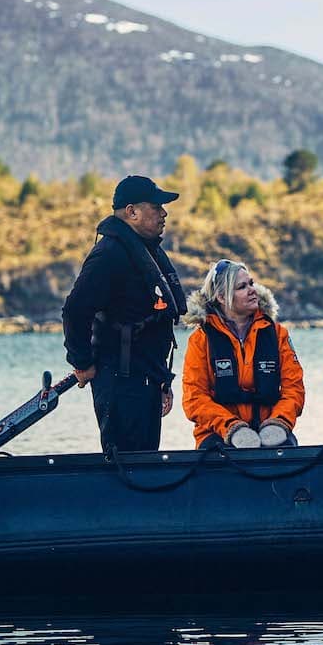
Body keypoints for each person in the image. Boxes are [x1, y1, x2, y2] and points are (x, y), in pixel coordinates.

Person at [60, 175, 187, 453]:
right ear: (131, 212)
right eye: (156, 206)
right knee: (128, 467)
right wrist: (82, 362)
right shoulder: (109, 254)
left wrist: (162, 381)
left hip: (145, 379)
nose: (164, 213)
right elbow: (74, 310)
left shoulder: (143, 250)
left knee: (146, 465)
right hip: (121, 384)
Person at [180, 258, 304, 449]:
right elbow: (194, 398)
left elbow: (294, 389)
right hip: (217, 432)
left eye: (251, 283)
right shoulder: (201, 339)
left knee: (288, 454)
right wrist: (232, 427)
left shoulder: (277, 334)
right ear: (222, 297)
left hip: (270, 429)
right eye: (242, 287)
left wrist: (279, 422)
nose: (252, 290)